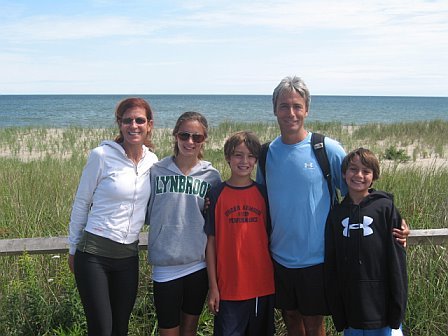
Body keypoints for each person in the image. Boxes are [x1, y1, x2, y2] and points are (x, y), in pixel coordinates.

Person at [256, 76, 410, 336]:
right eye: (284, 106)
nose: (290, 113)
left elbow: (360, 189)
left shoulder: (325, 148)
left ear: (306, 109)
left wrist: (395, 221)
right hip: (279, 255)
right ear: (274, 110)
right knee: (291, 317)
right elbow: (259, 199)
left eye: (297, 106)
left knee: (314, 322)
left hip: (318, 256)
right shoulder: (266, 153)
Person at [68, 97, 158, 335]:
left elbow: (156, 205)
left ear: (149, 124)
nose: (133, 125)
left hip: (128, 256)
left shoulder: (153, 161)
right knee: (101, 330)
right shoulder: (101, 156)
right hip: (93, 255)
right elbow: (81, 203)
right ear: (119, 124)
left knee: (120, 329)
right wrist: (72, 248)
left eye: (139, 120)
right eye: (127, 120)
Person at [146, 111, 221, 336]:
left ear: (204, 140)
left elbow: (211, 226)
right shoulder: (156, 171)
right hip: (164, 266)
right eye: (184, 135)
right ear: (175, 136)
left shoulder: (211, 176)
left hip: (197, 265)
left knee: (189, 330)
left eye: (196, 137)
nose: (190, 142)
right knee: (168, 331)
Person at [325, 148, 407, 336]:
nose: (359, 175)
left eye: (366, 171)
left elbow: (396, 262)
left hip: (381, 307)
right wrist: (338, 310)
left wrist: (397, 306)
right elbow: (332, 263)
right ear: (344, 174)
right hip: (351, 306)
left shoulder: (385, 208)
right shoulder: (336, 214)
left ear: (374, 176)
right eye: (353, 169)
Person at [205, 131, 275, 336]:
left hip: (262, 287)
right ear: (227, 157)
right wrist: (213, 286)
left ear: (256, 160)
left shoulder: (264, 193)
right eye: (238, 155)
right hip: (228, 289)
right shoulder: (216, 194)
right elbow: (211, 242)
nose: (244, 161)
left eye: (250, 156)